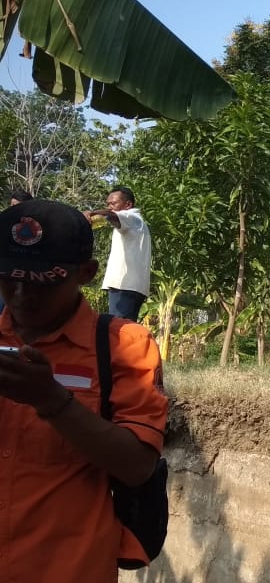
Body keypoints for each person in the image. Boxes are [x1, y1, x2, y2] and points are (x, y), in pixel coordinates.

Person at [0, 199, 168, 582]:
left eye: (42, 282)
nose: (22, 294)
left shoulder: (125, 346)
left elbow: (138, 466)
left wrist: (52, 400)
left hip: (69, 570)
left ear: (87, 273)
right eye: (9, 278)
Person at [84, 186, 152, 322]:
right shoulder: (134, 223)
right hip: (127, 286)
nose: (110, 207)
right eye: (108, 204)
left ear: (128, 205)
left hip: (125, 286)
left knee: (119, 331)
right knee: (123, 330)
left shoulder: (131, 217)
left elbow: (112, 215)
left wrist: (91, 214)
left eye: (113, 203)